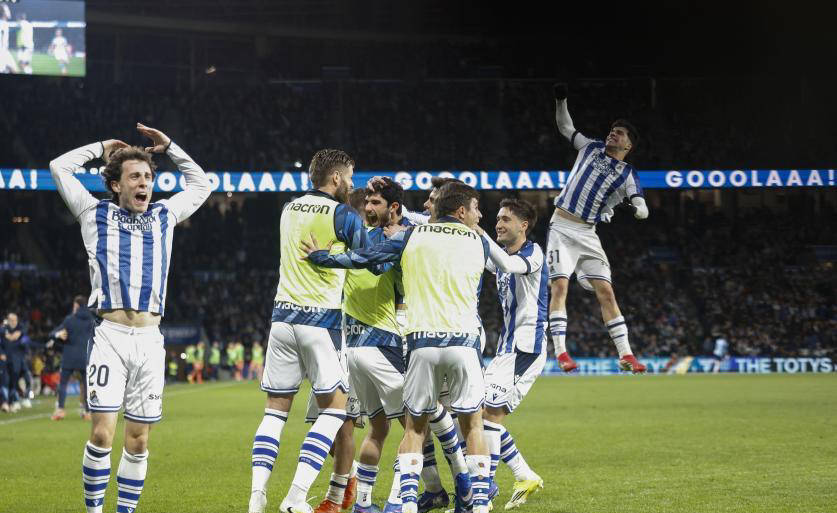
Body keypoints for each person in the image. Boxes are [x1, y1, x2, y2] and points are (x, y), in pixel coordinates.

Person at [303, 181, 494, 513]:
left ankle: (406, 502)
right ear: (462, 211)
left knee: (414, 426)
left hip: (416, 341)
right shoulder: (479, 242)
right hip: (455, 339)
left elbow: (367, 259)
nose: (480, 215)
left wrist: (322, 257)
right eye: (476, 209)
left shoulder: (409, 237)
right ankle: (472, 498)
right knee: (465, 423)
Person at [49, 122, 209, 513]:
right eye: (135, 177)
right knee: (102, 435)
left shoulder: (164, 215)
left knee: (138, 440)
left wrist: (170, 147)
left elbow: (201, 184)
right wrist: (101, 145)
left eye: (148, 177)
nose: (144, 183)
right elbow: (58, 167)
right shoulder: (93, 212)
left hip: (151, 341)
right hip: (111, 337)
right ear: (116, 184)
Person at [247, 148, 371, 513]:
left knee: (274, 412)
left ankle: (257, 496)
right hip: (321, 322)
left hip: (282, 319)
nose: (352, 184)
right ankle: (296, 496)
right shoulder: (342, 214)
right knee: (335, 409)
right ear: (336, 177)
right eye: (350, 177)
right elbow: (369, 258)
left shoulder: (288, 208)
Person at [547, 84, 648, 374]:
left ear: (628, 145)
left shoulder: (628, 174)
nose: (613, 133)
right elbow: (565, 127)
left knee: (606, 292)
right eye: (613, 130)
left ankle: (626, 355)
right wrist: (561, 100)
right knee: (560, 285)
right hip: (561, 227)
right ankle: (561, 352)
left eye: (620, 133)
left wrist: (638, 209)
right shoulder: (590, 147)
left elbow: (641, 205)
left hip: (587, 233)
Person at [479, 199, 546, 509]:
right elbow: (489, 257)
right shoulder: (504, 258)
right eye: (497, 219)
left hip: (526, 349)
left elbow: (506, 265)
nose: (498, 224)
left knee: (490, 416)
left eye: (506, 219)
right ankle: (524, 475)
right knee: (479, 415)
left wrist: (476, 229)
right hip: (507, 349)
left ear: (524, 225)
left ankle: (484, 491)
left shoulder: (533, 254)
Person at [49, 295, 96, 421]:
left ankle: (60, 410)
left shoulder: (69, 320)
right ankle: (88, 412)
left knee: (63, 384)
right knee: (87, 386)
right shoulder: (92, 320)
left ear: (76, 306)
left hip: (69, 357)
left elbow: (52, 334)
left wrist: (58, 335)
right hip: (86, 357)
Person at [1, 312, 30, 411]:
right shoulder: (3, 330)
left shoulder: (21, 330)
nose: (14, 322)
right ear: (8, 321)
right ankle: (6, 403)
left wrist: (18, 336)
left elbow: (25, 341)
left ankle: (16, 400)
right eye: (11, 320)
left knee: (15, 382)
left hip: (17, 361)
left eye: (15, 320)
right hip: (4, 361)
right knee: (5, 381)